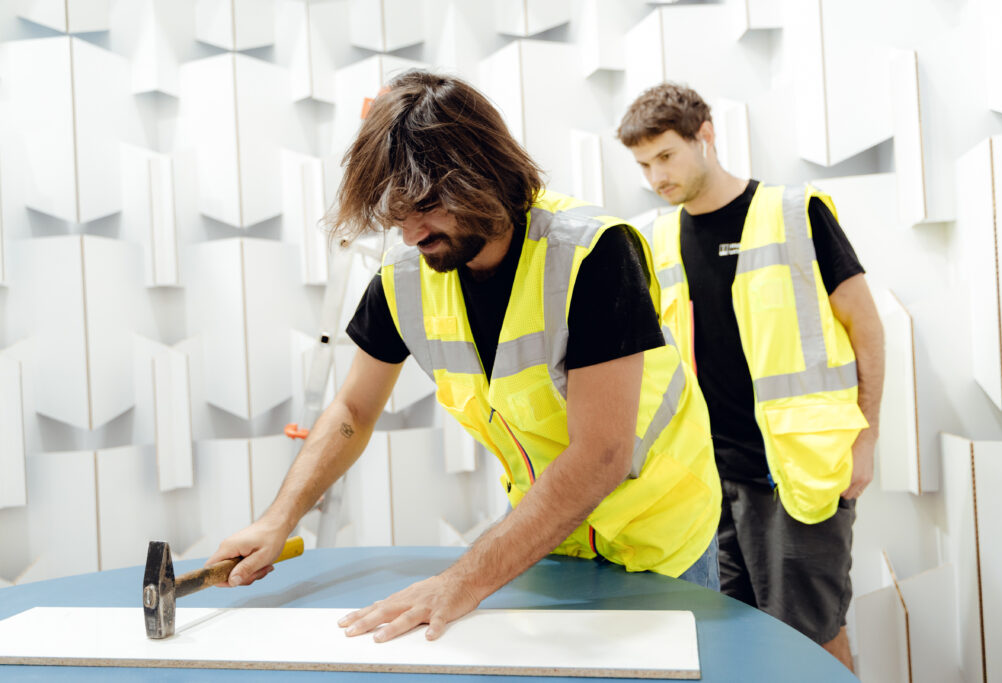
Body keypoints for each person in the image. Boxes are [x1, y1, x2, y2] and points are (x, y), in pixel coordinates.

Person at [207, 70, 722, 643]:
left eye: (426, 206)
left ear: (484, 173)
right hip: (551, 534)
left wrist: (461, 580)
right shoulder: (404, 278)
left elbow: (601, 454)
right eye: (396, 215)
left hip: (661, 531)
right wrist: (278, 520)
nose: (410, 235)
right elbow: (353, 409)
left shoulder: (593, 253)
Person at [617, 83, 884, 672]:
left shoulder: (793, 214)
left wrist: (866, 438)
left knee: (811, 635)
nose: (657, 177)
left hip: (794, 471)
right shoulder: (657, 239)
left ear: (705, 135)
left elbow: (866, 326)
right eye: (644, 165)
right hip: (706, 480)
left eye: (666, 156)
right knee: (728, 639)